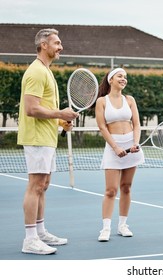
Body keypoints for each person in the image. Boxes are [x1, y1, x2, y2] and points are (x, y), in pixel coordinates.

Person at [17, 28, 79, 255]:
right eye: (57, 43)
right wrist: (60, 114)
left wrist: (61, 122)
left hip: (46, 137)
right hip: (36, 139)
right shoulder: (36, 72)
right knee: (35, 186)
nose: (60, 47)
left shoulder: (46, 71)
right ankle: (30, 239)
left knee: (43, 187)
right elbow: (32, 109)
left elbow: (46, 110)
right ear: (44, 45)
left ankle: (40, 232)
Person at [95, 68, 145, 242]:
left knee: (126, 187)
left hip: (131, 144)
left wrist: (135, 143)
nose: (124, 79)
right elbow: (102, 127)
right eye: (120, 76)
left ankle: (123, 225)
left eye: (125, 77)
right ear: (111, 80)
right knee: (111, 190)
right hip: (112, 147)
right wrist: (115, 147)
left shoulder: (129, 100)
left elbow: (136, 124)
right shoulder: (101, 101)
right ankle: (106, 228)